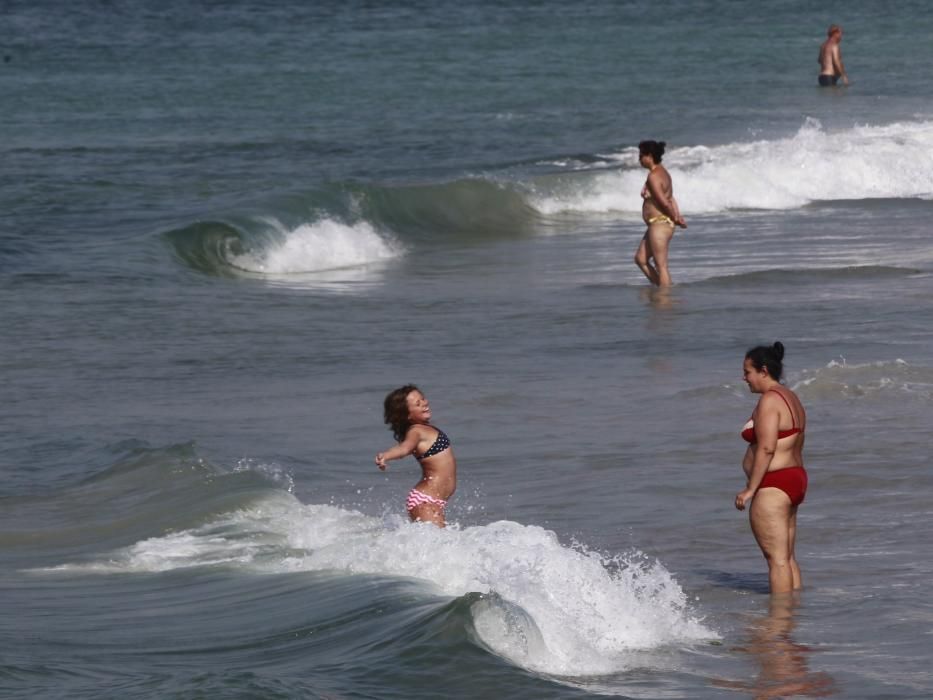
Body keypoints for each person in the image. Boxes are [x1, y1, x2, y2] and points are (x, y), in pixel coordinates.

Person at [735, 342, 808, 594]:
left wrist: (750, 489)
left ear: (763, 371)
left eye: (747, 372)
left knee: (776, 561)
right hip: (794, 478)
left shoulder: (770, 400)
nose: (744, 378)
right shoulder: (791, 397)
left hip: (773, 483)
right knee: (786, 558)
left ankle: (779, 627)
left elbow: (766, 448)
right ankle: (792, 619)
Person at [375, 385, 457, 527]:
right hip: (425, 500)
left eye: (423, 399)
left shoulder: (424, 429)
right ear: (407, 414)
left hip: (433, 500)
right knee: (439, 545)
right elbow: (404, 449)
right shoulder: (416, 431)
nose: (424, 403)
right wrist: (386, 456)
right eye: (418, 404)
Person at [633, 140, 687, 287]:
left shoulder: (654, 176)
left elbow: (664, 202)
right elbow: (671, 198)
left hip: (660, 223)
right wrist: (677, 214)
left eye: (641, 155)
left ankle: (665, 300)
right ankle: (663, 290)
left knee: (661, 266)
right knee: (641, 259)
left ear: (649, 156)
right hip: (657, 224)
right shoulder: (662, 173)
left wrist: (675, 218)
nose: (639, 159)